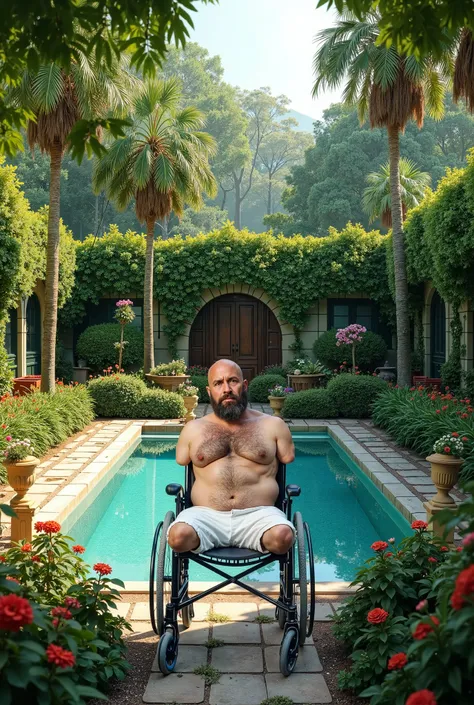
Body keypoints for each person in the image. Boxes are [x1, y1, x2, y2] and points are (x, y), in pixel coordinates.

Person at [167, 359, 296, 555]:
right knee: (177, 538)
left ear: (244, 386)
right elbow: (182, 459)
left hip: (260, 517)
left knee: (283, 538)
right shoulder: (193, 429)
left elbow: (287, 457)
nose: (226, 388)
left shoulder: (273, 425)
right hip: (205, 517)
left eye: (233, 381)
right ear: (209, 392)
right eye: (218, 383)